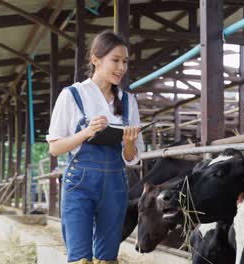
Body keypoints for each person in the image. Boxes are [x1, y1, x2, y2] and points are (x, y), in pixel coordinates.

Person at [46, 30, 144, 264]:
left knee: (107, 257)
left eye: (125, 62)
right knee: (80, 257)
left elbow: (132, 159)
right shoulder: (72, 95)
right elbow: (55, 148)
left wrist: (129, 143)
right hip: (79, 182)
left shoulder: (129, 101)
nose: (121, 67)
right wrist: (86, 132)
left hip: (115, 184)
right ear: (95, 59)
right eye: (116, 60)